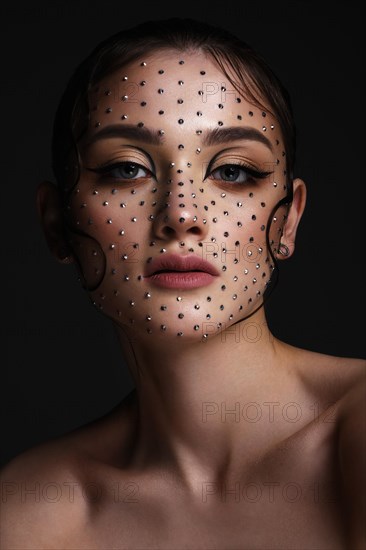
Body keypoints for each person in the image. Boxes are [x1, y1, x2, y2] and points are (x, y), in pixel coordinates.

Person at [1, 17, 365, 549]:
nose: (182, 215)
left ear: (288, 220)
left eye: (234, 171)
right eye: (127, 170)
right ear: (57, 224)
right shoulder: (30, 516)